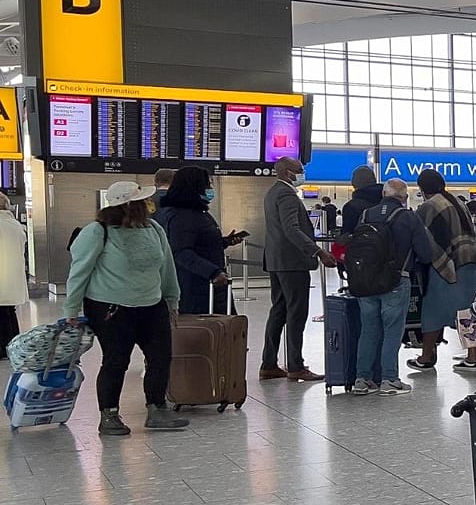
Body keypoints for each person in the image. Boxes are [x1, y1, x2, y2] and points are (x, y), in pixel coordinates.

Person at [64, 181, 188, 436]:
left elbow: (166, 267)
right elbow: (79, 271)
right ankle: (108, 415)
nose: (149, 206)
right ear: (131, 205)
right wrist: (71, 309)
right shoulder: (98, 232)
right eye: (143, 202)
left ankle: (157, 408)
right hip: (111, 308)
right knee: (116, 361)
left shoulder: (153, 228)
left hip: (152, 305)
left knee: (160, 357)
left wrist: (172, 299)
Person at [352, 179, 439, 395]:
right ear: (405, 197)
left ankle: (362, 380)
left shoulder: (365, 215)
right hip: (396, 281)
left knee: (369, 330)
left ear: (383, 193)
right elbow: (426, 253)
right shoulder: (407, 217)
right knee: (392, 331)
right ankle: (389, 379)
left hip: (365, 281)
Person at [261, 157, 338, 383]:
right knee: (296, 313)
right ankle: (296, 365)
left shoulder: (272, 192)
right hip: (292, 263)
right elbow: (291, 230)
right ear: (287, 172)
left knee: (279, 311)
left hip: (276, 261)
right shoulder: (286, 195)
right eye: (299, 170)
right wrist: (318, 252)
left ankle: (269, 363)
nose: (303, 174)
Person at [408, 169, 476, 371]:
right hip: (469, 261)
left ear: (422, 188)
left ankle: (426, 356)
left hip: (447, 266)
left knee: (433, 311)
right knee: (467, 311)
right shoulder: (458, 202)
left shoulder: (429, 206)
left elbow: (422, 238)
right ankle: (472, 358)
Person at [155, 166, 243, 315]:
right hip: (197, 288)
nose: (210, 188)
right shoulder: (182, 216)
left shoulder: (196, 212)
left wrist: (225, 242)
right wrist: (213, 272)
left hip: (210, 286)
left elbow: (199, 243)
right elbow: (181, 251)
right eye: (207, 184)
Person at [0, 195, 26, 354]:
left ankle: (3, 349)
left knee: (3, 312)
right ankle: (13, 347)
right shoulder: (15, 225)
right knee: (9, 311)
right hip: (13, 277)